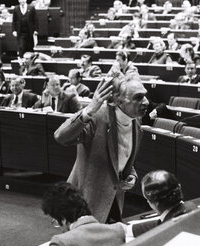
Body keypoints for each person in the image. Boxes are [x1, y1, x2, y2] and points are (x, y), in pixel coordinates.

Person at [55, 75, 149, 223]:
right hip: (86, 200)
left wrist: (131, 175)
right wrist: (90, 109)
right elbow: (61, 137)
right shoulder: (97, 116)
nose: (146, 102)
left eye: (145, 96)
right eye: (139, 97)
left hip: (114, 200)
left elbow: (122, 155)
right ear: (118, 101)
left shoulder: (136, 120)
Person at [132, 170, 188, 236]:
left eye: (147, 199)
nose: (147, 201)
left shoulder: (166, 230)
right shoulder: (190, 206)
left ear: (156, 203)